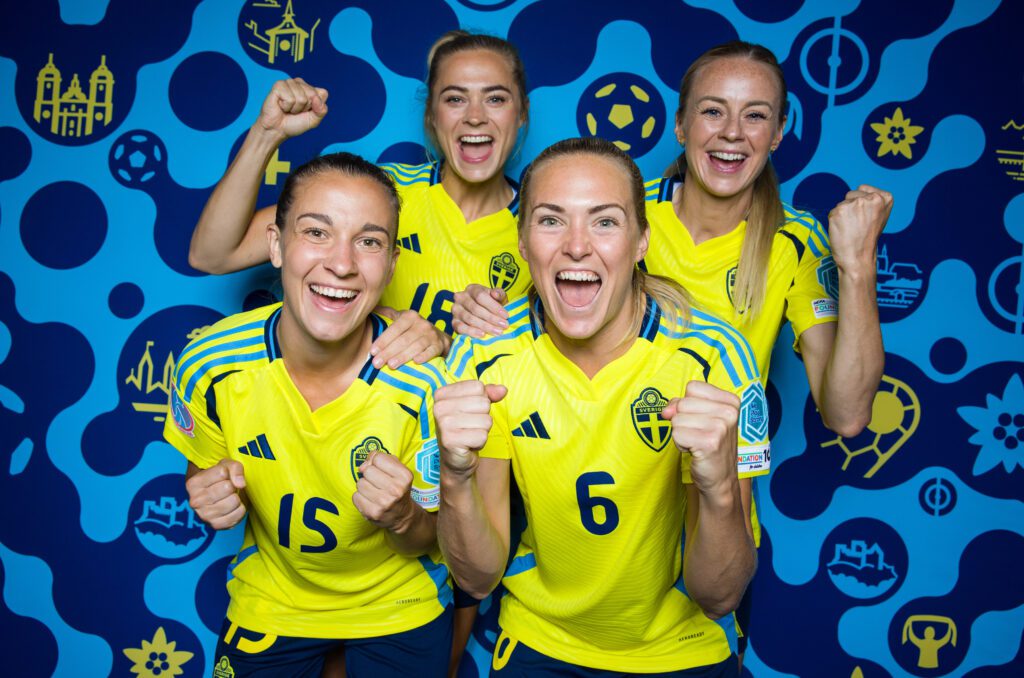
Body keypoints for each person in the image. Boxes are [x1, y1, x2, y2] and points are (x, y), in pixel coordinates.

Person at [452, 41, 892, 664]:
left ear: (780, 130)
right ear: (681, 125)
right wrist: (475, 312)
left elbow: (847, 413)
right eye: (713, 112)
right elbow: (542, 290)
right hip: (565, 497)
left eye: (756, 115)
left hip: (699, 511)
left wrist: (857, 268)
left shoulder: (791, 246)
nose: (732, 133)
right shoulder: (616, 209)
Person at [435, 137, 765, 675]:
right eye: (550, 221)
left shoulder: (714, 355)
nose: (577, 246)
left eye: (605, 222)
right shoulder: (486, 353)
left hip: (683, 649)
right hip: (541, 643)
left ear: (641, 241)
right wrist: (453, 474)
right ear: (521, 242)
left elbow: (720, 596)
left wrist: (721, 488)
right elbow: (476, 579)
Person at [163, 153, 452, 676]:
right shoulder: (208, 362)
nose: (342, 263)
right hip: (272, 598)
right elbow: (204, 469)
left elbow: (428, 536)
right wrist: (208, 490)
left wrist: (402, 515)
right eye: (317, 232)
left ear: (390, 264)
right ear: (276, 244)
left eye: (369, 241)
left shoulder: (425, 382)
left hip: (398, 605)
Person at [187, 30, 531, 366]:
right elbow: (213, 255)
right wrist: (266, 134)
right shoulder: (382, 192)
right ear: (431, 114)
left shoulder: (547, 227)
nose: (474, 116)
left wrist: (445, 343)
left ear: (522, 114)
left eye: (496, 98)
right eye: (455, 98)